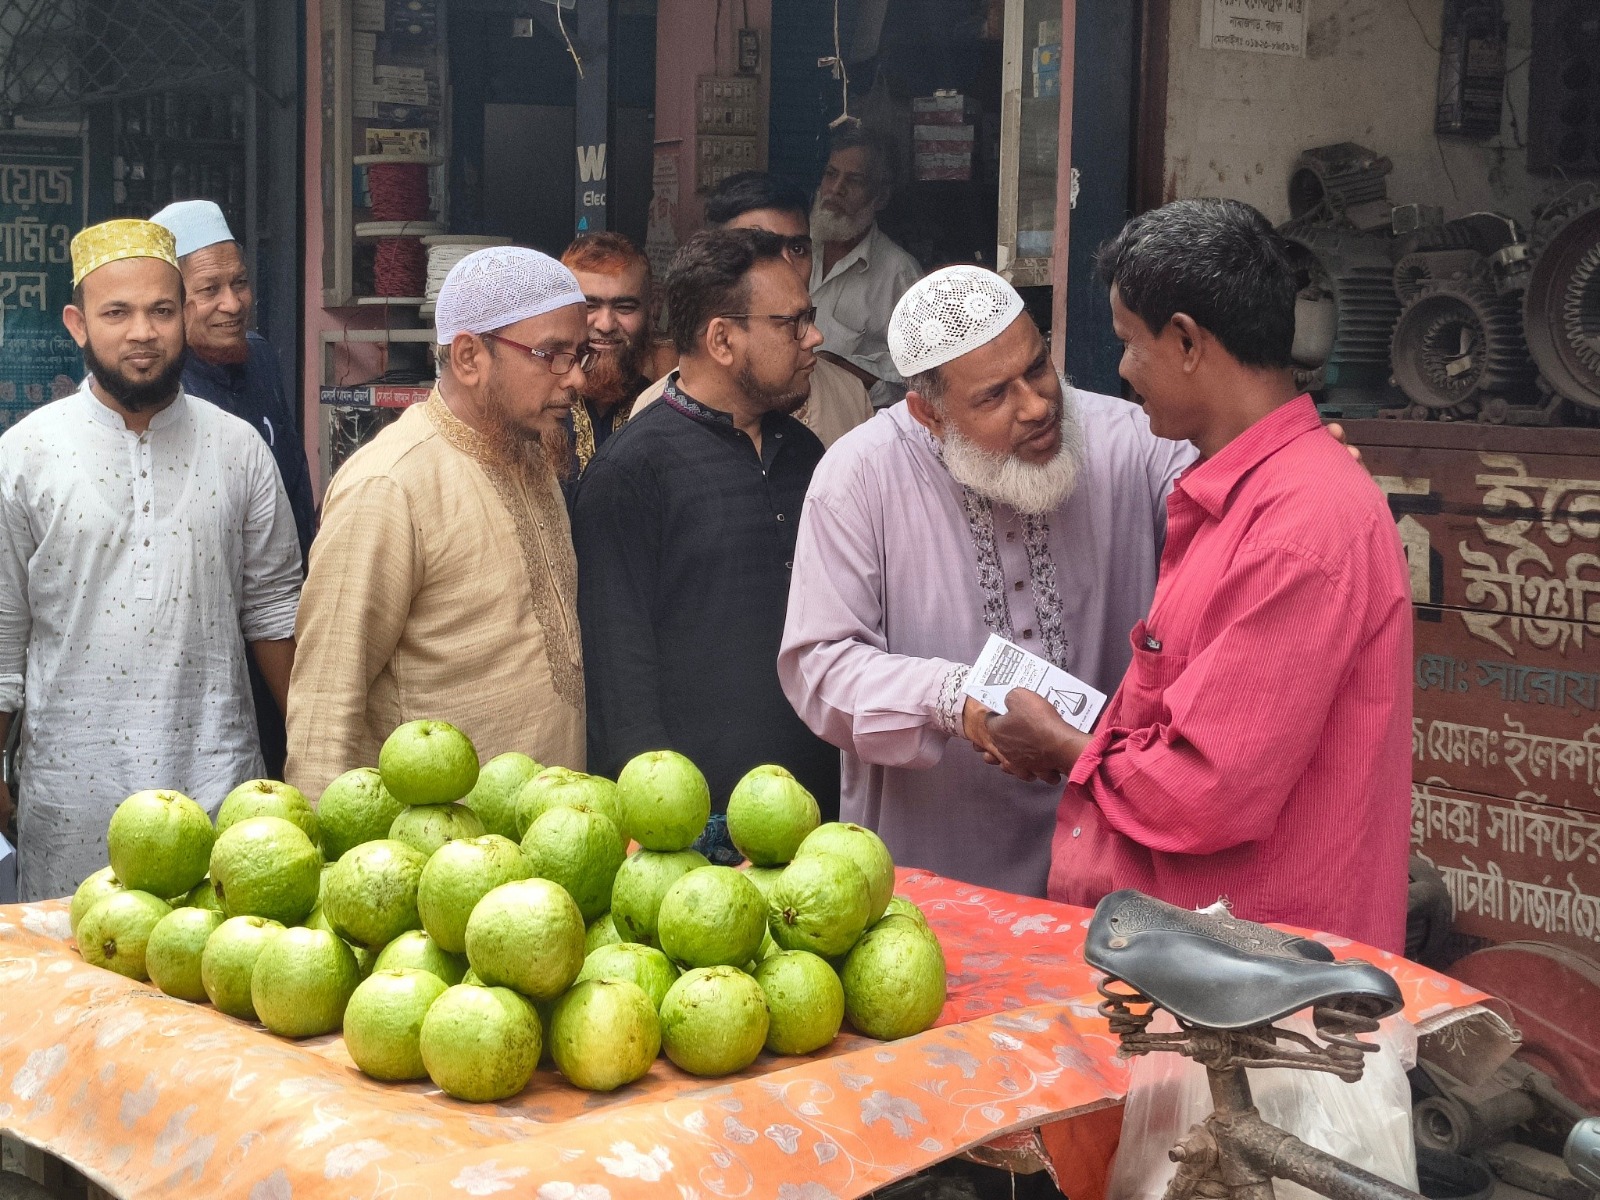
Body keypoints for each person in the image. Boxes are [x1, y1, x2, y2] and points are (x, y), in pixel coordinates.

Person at [982, 199, 1411, 950]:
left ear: (1185, 341)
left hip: (1262, 1003)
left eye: (1128, 343)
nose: (1121, 371)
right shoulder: (1236, 491)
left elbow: (1211, 787)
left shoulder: (1302, 524)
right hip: (1199, 973)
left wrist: (1061, 744)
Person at [779, 264, 1193, 897]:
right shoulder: (858, 477)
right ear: (928, 413)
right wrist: (960, 702)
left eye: (1037, 367)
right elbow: (821, 666)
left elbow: (1232, 507)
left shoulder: (1130, 441)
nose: (1036, 405)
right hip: (940, 885)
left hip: (1112, 873)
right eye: (994, 396)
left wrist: (1286, 472)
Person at [0, 220, 302, 899]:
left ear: (183, 318)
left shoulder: (240, 448)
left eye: (162, 310)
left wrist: (311, 750)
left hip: (217, 792)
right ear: (78, 324)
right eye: (118, 313)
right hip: (73, 804)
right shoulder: (23, 457)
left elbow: (275, 612)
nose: (143, 332)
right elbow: (3, 635)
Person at [285, 247, 594, 799]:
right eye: (551, 354)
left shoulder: (530, 453)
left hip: (552, 846)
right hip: (435, 861)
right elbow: (325, 705)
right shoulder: (389, 485)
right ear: (470, 356)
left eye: (580, 354)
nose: (575, 380)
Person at [573, 228, 841, 840]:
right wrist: (670, 830)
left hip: (819, 818)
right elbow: (620, 679)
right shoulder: (631, 472)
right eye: (791, 323)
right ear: (722, 338)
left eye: (811, 317)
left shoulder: (805, 454)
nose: (814, 338)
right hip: (700, 834)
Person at [152, 199, 316, 779]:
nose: (232, 303)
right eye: (209, 289)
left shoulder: (263, 358)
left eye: (239, 283)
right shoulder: (163, 389)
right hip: (206, 648)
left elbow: (296, 490)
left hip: (283, 626)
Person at [632, 171, 875, 448]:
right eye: (758, 248)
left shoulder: (849, 398)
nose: (784, 266)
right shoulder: (656, 411)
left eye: (797, 248)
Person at [809, 126, 922, 409]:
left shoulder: (899, 274)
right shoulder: (794, 251)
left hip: (852, 423)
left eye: (854, 180)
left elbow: (917, 382)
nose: (836, 189)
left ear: (880, 197)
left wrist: (836, 369)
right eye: (831, 174)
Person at [559, 232, 654, 481]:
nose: (605, 324)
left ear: (651, 311)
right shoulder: (534, 411)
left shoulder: (660, 412)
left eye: (624, 307)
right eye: (589, 306)